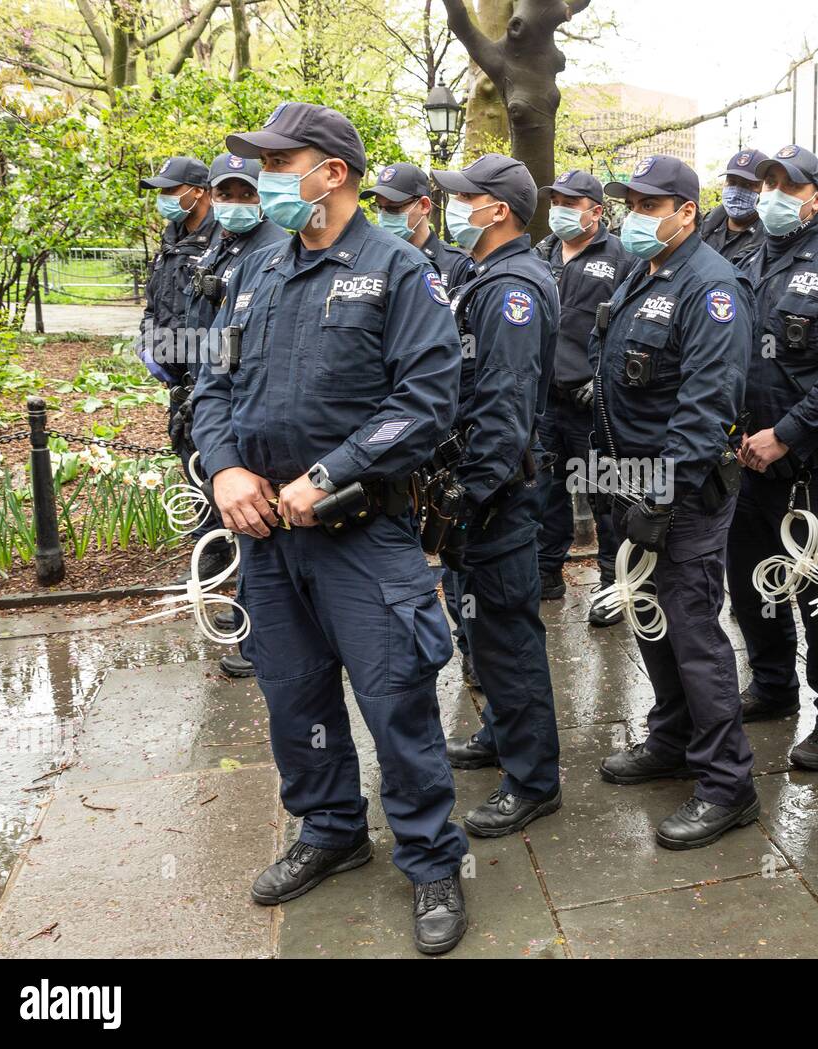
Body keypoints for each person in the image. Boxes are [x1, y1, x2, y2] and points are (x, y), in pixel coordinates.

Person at [191, 102, 469, 955]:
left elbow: (427, 402)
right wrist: (224, 467)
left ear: (333, 174)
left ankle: (430, 859)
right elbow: (213, 387)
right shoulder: (256, 270)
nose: (268, 177)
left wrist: (334, 471)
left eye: (282, 162)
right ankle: (331, 828)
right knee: (295, 697)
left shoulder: (398, 270)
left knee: (396, 702)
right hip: (269, 539)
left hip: (361, 537)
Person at [593, 154, 760, 849]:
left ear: (686, 211)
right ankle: (672, 735)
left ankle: (728, 782)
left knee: (693, 628)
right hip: (630, 481)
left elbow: (706, 405)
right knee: (651, 615)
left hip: (681, 491)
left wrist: (660, 497)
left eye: (647, 204)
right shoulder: (646, 270)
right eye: (627, 203)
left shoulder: (711, 285)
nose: (632, 215)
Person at [725, 144, 818, 771]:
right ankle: (773, 684)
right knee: (751, 583)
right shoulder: (747, 260)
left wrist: (787, 432)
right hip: (745, 460)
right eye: (767, 184)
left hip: (810, 465)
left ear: (816, 197)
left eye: (789, 186)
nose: (773, 196)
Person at [432, 154, 564, 839]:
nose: (455, 205)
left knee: (508, 640)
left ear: (499, 211)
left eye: (465, 197)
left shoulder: (512, 288)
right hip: (480, 495)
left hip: (497, 500)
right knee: (481, 631)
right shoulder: (483, 277)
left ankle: (534, 779)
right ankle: (501, 734)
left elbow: (504, 408)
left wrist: (467, 495)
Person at [360, 161, 474, 688]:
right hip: (381, 439)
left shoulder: (456, 267)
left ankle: (472, 653)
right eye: (377, 207)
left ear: (423, 207)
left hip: (436, 436)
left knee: (452, 557)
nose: (382, 215)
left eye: (392, 207)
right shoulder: (369, 264)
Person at [180, 152, 286, 681]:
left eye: (248, 193)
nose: (236, 204)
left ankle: (260, 635)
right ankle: (258, 626)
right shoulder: (217, 246)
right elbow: (214, 353)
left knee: (258, 525)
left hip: (256, 419)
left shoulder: (273, 253)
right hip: (215, 405)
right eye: (227, 194)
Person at [532, 169, 636, 622]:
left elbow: (634, 328)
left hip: (591, 402)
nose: (559, 210)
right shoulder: (542, 252)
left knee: (605, 494)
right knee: (546, 490)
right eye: (555, 201)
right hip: (545, 399)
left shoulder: (623, 257)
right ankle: (547, 573)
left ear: (596, 211)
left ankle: (614, 583)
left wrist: (603, 383)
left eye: (570, 203)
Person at [134, 155, 223, 578]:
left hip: (215, 377)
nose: (166, 199)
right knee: (188, 455)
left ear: (199, 192)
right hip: (179, 380)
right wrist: (148, 345)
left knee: (217, 459)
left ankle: (225, 547)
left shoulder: (222, 243)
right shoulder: (170, 242)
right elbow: (154, 305)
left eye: (172, 190)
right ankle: (208, 545)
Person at [700, 148, 770, 267]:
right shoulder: (703, 228)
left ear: (765, 188)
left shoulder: (770, 240)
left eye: (748, 184)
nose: (737, 191)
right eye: (732, 182)